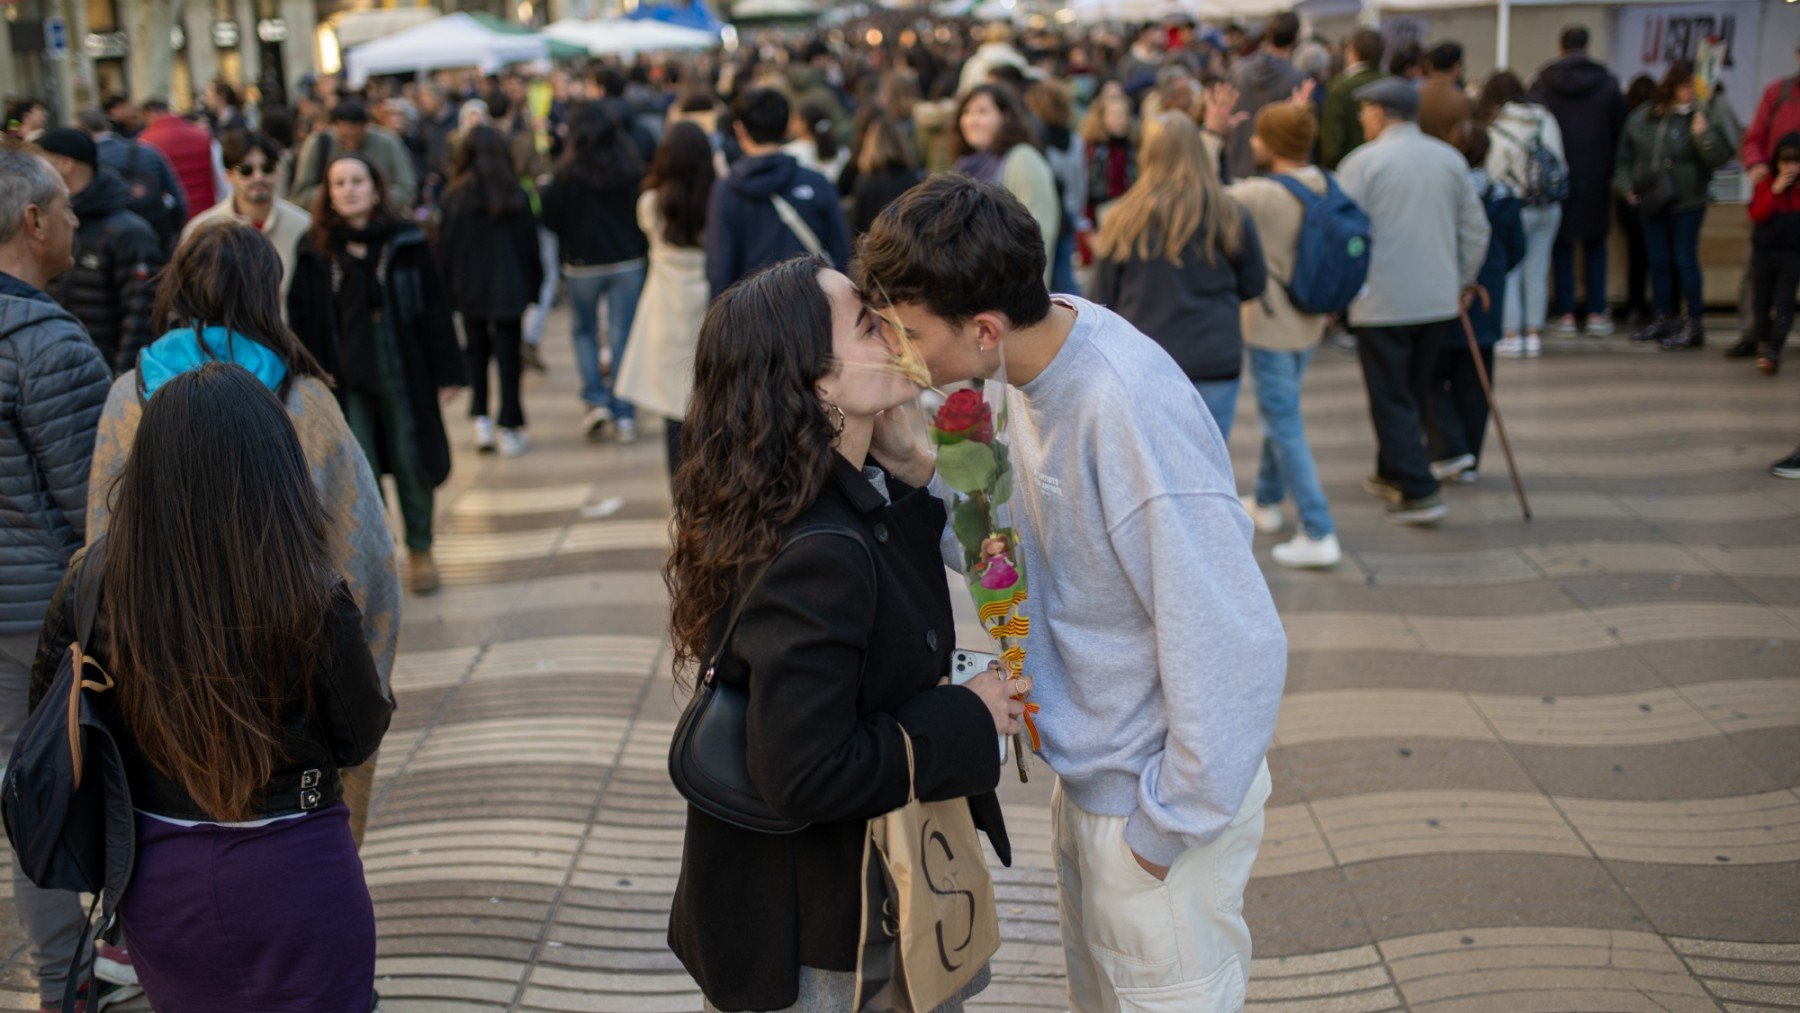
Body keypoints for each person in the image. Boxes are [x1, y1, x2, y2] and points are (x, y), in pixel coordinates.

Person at [857, 174, 1285, 1011]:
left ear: (983, 329)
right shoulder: (1021, 367)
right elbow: (1011, 551)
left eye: (911, 334)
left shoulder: (1123, 406)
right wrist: (915, 466)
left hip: (1149, 803)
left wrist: (1159, 831)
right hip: (1096, 779)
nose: (900, 353)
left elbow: (1237, 641)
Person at [666, 258, 1020, 1013]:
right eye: (867, 322)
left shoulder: (834, 495)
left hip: (863, 896)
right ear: (816, 381)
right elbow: (807, 769)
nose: (895, 331)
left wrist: (916, 462)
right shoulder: (819, 546)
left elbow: (999, 568)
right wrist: (972, 712)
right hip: (833, 934)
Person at [34, 362, 391, 1013]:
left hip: (159, 877)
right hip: (299, 868)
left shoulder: (95, 580)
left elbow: (53, 713)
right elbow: (359, 730)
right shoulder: (307, 588)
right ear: (274, 467)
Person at [88, 221, 399, 851]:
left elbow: (101, 546)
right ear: (267, 293)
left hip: (162, 691)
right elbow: (364, 558)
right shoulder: (304, 399)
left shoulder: (129, 396)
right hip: (287, 687)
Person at [0, 145, 118, 1013]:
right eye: (65, 207)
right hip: (47, 612)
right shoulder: (45, 340)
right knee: (109, 772)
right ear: (32, 222)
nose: (80, 218)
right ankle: (130, 949)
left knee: (26, 786)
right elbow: (97, 508)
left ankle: (61, 979)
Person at [288, 153, 466, 594]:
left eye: (357, 181)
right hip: (343, 374)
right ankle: (374, 555)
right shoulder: (314, 248)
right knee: (357, 464)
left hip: (404, 365)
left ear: (375, 187)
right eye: (339, 183)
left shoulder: (407, 240)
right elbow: (303, 319)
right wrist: (307, 379)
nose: (348, 190)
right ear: (328, 194)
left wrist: (448, 370)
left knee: (412, 459)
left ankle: (421, 548)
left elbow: (436, 307)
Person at [1337, 78, 1491, 526]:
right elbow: (1476, 230)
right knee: (1409, 390)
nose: (1363, 118)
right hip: (1438, 300)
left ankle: (1419, 490)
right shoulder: (1450, 160)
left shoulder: (1362, 163)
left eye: (1365, 110)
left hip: (1382, 301)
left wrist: (1342, 291)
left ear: (1381, 113)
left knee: (1391, 396)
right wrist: (1462, 280)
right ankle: (1392, 472)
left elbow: (1345, 234)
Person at [1091, 113, 1266, 439]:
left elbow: (1102, 297)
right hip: (1214, 355)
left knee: (1152, 468)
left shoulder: (1122, 218)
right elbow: (1254, 284)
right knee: (1210, 464)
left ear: (1147, 154)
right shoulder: (1230, 213)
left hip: (1145, 359)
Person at [1228, 103, 1341, 568]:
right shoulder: (1325, 182)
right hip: (1310, 319)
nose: (1253, 142)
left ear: (1273, 143)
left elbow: (1205, 198)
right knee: (1283, 412)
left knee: (1283, 422)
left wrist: (1214, 135)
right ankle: (1269, 500)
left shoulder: (1261, 194)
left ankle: (1319, 530)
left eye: (1258, 136)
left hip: (1272, 324)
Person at [541, 107, 650, 444]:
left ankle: (594, 399)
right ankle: (623, 411)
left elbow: (551, 218)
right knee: (621, 336)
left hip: (582, 263)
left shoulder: (565, 174)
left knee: (584, 330)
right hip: (627, 260)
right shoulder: (629, 168)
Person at [436, 125, 543, 457]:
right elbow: (530, 246)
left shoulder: (455, 196)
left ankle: (482, 419)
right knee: (509, 356)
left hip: (470, 287)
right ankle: (509, 424)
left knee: (477, 352)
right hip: (509, 285)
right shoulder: (515, 194)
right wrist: (533, 286)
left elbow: (446, 248)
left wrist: (449, 288)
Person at [615, 123, 714, 476]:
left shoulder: (650, 203)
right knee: (711, 402)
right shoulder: (718, 198)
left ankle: (681, 495)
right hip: (708, 300)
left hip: (665, 307)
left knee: (673, 409)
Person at [1431, 121, 1526, 486]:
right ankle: (1468, 455)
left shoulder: (1443, 194)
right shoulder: (1503, 195)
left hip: (1442, 294)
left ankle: (1449, 447)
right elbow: (1518, 248)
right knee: (1477, 382)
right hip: (1486, 299)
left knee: (1432, 376)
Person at [1613, 61, 1731, 351]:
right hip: (1653, 200)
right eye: (1685, 85)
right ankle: (1662, 316)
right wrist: (1626, 186)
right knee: (1658, 261)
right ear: (1673, 85)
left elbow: (1719, 158)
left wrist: (1702, 136)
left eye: (1694, 86)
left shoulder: (1703, 117)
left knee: (1684, 260)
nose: (1689, 92)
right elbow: (1624, 158)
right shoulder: (1645, 117)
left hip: (1688, 200)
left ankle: (1694, 323)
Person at [34, 128, 166, 375]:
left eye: (43, 162)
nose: (37, 171)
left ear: (66, 164)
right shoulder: (48, 222)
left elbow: (141, 315)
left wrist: (122, 381)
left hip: (110, 378)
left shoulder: (127, 231)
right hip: (64, 373)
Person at [705, 88, 852, 295]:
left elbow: (720, 271)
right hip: (816, 309)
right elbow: (842, 255)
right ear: (787, 128)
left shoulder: (726, 191)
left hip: (752, 314)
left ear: (740, 129)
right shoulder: (817, 182)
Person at [1530, 26, 1626, 338]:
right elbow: (1619, 130)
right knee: (1596, 244)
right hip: (1597, 174)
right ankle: (1597, 312)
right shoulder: (1608, 83)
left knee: (1562, 244)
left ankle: (1566, 313)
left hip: (1557, 176)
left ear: (1560, 48)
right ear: (1587, 46)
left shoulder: (1543, 83)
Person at [1479, 72, 1565, 359]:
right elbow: (1560, 162)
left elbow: (1494, 171)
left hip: (1514, 204)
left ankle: (1511, 333)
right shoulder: (1545, 118)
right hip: (1549, 205)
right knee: (1538, 269)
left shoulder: (1498, 125)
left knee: (1510, 270)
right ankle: (1533, 333)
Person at [182, 132, 311, 304]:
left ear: (278, 171)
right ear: (228, 176)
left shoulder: (304, 225)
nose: (258, 177)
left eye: (267, 168)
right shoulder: (202, 229)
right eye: (246, 170)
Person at [953, 84, 1058, 286]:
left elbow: (1040, 233)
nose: (972, 120)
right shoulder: (965, 165)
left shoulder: (1023, 159)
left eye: (982, 111)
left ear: (1005, 117)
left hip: (1011, 291)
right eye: (966, 112)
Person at [86, 107, 187, 254]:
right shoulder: (148, 150)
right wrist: (173, 234)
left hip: (113, 247)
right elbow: (179, 200)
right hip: (158, 238)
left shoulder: (90, 163)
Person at [290, 100, 420, 213]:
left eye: (357, 137)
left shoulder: (388, 142)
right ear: (335, 127)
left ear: (366, 127)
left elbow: (407, 189)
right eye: (345, 138)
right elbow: (301, 194)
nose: (351, 143)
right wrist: (337, 197)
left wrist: (372, 197)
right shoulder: (318, 144)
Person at [1742, 133, 1800, 375]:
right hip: (1765, 253)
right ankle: (1763, 344)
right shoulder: (1766, 183)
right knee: (1760, 303)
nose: (1790, 167)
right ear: (1777, 162)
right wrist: (1774, 191)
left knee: (1785, 304)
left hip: (1793, 255)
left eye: (1795, 161)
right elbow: (1757, 214)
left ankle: (1773, 351)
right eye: (1785, 161)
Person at [1225, 12, 1305, 181]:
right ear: (1295, 39)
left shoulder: (1239, 69)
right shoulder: (1296, 79)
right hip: (1277, 172)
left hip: (1237, 164)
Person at [1026, 82, 1087, 296]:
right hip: (1068, 215)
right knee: (1066, 280)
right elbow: (1080, 182)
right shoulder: (1075, 140)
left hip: (1048, 216)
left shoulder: (1037, 143)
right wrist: (1077, 213)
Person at [139, 99, 217, 221]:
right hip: (207, 212)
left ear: (151, 113)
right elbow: (219, 179)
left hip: (172, 218)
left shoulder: (144, 142)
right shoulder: (202, 135)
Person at [846, 116, 922, 236]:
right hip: (908, 248)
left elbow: (856, 226)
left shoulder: (865, 182)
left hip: (874, 248)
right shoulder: (913, 179)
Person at [1322, 28, 1387, 169]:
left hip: (1348, 167)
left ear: (1353, 53)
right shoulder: (1392, 82)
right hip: (1389, 164)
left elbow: (1332, 142)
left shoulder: (1339, 87)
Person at [1081, 87, 1138, 221]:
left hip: (1129, 205)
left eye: (1124, 115)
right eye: (1115, 115)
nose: (1121, 120)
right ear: (1102, 117)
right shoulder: (1092, 147)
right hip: (1103, 209)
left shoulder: (1132, 145)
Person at [782, 100, 848, 184]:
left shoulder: (788, 153)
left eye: (795, 119)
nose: (791, 123)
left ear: (804, 124)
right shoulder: (843, 152)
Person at [1418, 42, 1472, 143]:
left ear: (1430, 66)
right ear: (1457, 67)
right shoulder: (1461, 101)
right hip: (1448, 155)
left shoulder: (1415, 95)